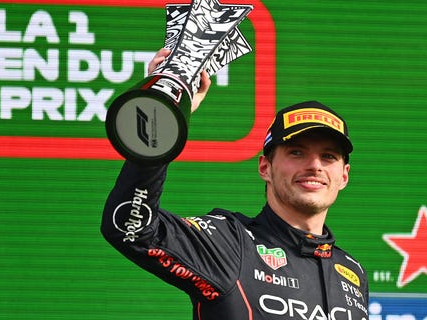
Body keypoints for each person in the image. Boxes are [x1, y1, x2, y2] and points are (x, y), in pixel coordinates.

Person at [101, 49, 369, 320]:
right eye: (296, 152)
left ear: (344, 175)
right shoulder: (229, 243)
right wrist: (165, 111)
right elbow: (129, 228)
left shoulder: (351, 271)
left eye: (328, 156)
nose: (315, 165)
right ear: (265, 167)